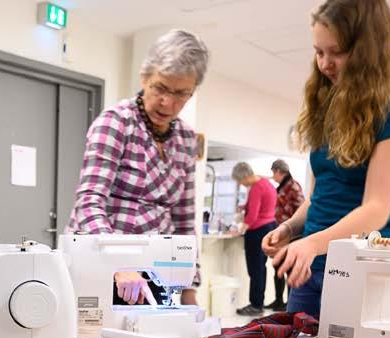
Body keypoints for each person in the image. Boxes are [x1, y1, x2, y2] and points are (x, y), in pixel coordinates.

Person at [262, 0, 390, 319]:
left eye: (336, 52)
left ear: (369, 50)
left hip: (362, 268)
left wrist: (311, 244)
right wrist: (291, 227)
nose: (325, 64)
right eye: (319, 52)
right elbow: (323, 192)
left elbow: (376, 208)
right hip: (310, 270)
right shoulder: (330, 105)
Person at [66, 29, 209, 305]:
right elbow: (89, 203)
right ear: (145, 77)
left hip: (153, 270)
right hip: (100, 262)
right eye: (161, 88)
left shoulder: (186, 138)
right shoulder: (116, 123)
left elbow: (184, 221)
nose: (168, 102)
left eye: (181, 93)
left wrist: (189, 286)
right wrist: (118, 264)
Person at [232, 162, 278, 316]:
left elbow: (252, 216)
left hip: (257, 231)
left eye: (240, 181)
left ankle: (255, 305)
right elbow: (266, 205)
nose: (241, 184)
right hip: (269, 227)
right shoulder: (266, 183)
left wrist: (240, 229)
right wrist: (245, 206)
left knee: (255, 270)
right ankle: (259, 302)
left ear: (244, 176)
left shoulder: (256, 188)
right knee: (261, 268)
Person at [265, 159, 304, 311]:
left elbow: (301, 211)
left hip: (292, 236)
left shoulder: (293, 187)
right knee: (278, 269)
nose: (273, 176)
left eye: (273, 173)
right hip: (282, 233)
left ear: (279, 171)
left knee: (289, 270)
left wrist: (291, 231)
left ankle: (289, 303)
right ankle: (278, 301)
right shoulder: (282, 187)